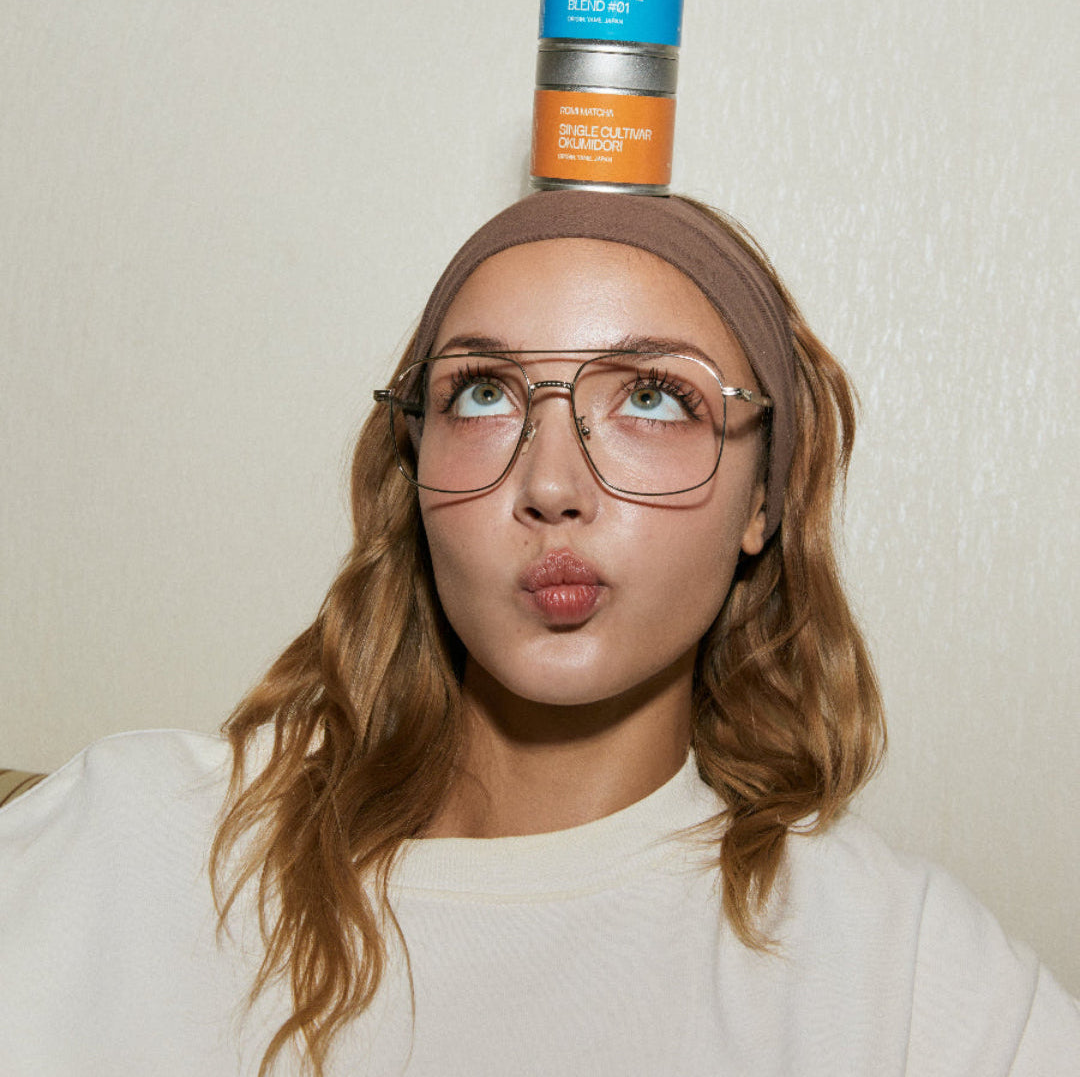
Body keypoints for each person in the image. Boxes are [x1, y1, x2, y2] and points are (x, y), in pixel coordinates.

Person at [1, 190, 1077, 1077]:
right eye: (482, 393)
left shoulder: (903, 976)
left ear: (766, 499)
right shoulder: (126, 843)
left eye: (654, 397)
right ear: (412, 471)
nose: (551, 484)